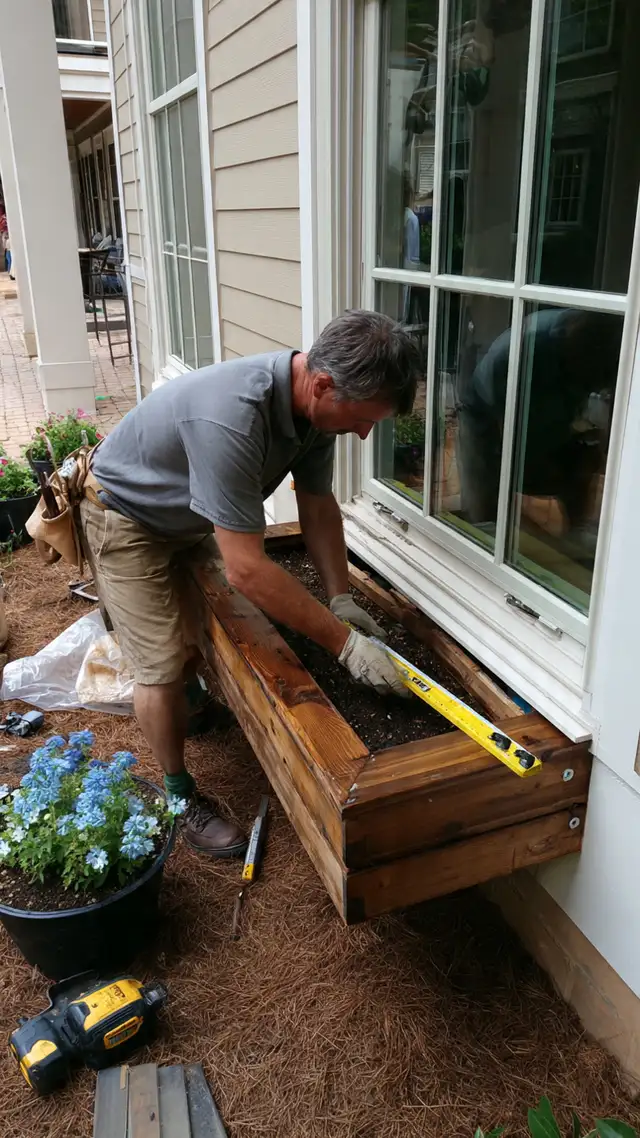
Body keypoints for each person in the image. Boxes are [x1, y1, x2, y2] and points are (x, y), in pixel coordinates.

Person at [79, 310, 421, 858]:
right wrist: (345, 644)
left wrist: (341, 598)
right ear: (324, 383)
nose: (363, 432)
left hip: (190, 510)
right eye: (362, 418)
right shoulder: (233, 418)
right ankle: (177, 795)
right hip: (127, 515)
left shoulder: (315, 411)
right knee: (160, 663)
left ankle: (193, 702)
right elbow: (246, 567)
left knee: (209, 619)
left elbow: (317, 504)